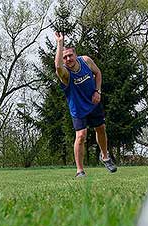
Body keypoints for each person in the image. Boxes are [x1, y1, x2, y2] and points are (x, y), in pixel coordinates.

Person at [54, 32, 117, 178]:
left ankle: (105, 157)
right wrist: (60, 43)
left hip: (93, 102)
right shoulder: (65, 74)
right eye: (65, 57)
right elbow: (57, 67)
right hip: (78, 108)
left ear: (75, 55)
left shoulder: (86, 61)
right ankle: (80, 170)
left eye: (70, 55)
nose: (68, 59)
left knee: (101, 128)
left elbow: (98, 73)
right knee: (81, 136)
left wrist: (97, 91)